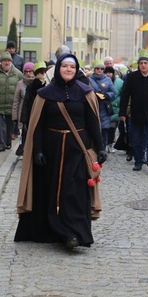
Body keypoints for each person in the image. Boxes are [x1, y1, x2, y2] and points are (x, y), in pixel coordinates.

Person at [15, 53, 106, 250]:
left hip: (78, 150)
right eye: (65, 66)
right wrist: (37, 150)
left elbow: (93, 123)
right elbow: (37, 125)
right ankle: (55, 230)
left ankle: (74, 233)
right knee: (51, 191)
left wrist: (100, 147)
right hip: (51, 150)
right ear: (57, 69)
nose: (68, 70)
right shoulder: (45, 94)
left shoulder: (85, 92)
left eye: (72, 67)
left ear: (77, 70)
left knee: (74, 192)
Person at [119, 56, 148, 174]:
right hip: (136, 114)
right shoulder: (131, 77)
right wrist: (122, 112)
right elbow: (125, 95)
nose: (143, 65)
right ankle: (138, 161)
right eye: (141, 63)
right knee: (136, 139)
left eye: (146, 63)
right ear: (138, 65)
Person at [0, 52, 23, 152]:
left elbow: (22, 89)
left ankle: (7, 142)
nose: (6, 63)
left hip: (12, 105)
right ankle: (1, 144)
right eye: (4, 61)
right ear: (1, 62)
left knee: (9, 126)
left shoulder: (18, 74)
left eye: (8, 61)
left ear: (11, 62)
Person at [19, 61, 48, 155]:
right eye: (40, 72)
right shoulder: (33, 86)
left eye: (44, 72)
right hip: (33, 115)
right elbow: (26, 103)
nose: (42, 75)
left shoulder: (46, 85)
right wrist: (24, 120)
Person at [87, 64, 116, 152]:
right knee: (93, 127)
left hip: (104, 106)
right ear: (94, 69)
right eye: (98, 68)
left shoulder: (107, 80)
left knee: (104, 128)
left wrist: (106, 95)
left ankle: (102, 148)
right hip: (92, 105)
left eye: (102, 69)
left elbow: (113, 92)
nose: (99, 70)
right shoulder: (89, 79)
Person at [12, 62, 36, 156]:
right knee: (24, 134)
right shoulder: (20, 84)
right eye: (26, 71)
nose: (28, 73)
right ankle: (25, 152)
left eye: (30, 71)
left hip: (33, 112)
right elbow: (16, 101)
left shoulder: (37, 83)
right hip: (23, 113)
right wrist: (15, 116)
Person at [104, 66, 122, 153]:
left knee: (112, 128)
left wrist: (118, 102)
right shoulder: (102, 81)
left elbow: (123, 94)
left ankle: (110, 144)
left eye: (110, 73)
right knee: (104, 128)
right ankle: (104, 144)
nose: (108, 74)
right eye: (106, 73)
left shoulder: (119, 82)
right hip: (104, 108)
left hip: (115, 108)